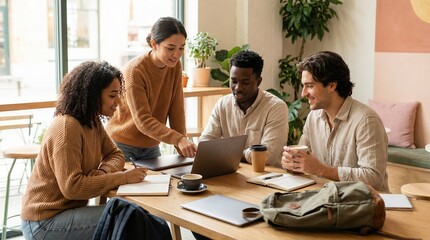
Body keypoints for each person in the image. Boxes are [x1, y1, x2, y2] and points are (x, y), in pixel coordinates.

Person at [20, 61, 148, 239]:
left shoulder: (91, 121)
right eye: (112, 95)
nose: (118, 101)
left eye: (118, 94)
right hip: (43, 222)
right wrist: (123, 177)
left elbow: (115, 154)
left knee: (134, 215)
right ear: (93, 96)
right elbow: (72, 188)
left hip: (67, 213)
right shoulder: (67, 128)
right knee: (128, 217)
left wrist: (103, 172)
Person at [281, 51, 389, 192]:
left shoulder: (366, 121)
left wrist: (321, 170)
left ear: (332, 86)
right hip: (326, 199)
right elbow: (304, 160)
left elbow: (373, 178)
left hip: (366, 204)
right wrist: (292, 164)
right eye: (303, 85)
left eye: (310, 86)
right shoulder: (313, 117)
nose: (303, 93)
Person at [106, 17, 197, 162]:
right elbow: (143, 120)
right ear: (154, 44)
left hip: (151, 145)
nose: (177, 54)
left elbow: (177, 109)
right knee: (126, 185)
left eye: (181, 48)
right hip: (121, 145)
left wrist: (182, 148)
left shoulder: (174, 66)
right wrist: (178, 139)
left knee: (161, 184)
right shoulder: (135, 71)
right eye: (170, 48)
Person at [199, 50, 289, 168]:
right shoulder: (223, 104)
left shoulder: (276, 108)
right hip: (231, 173)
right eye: (234, 81)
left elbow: (266, 156)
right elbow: (204, 144)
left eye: (245, 82)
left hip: (267, 178)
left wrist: (227, 152)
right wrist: (246, 154)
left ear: (258, 81)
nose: (238, 88)